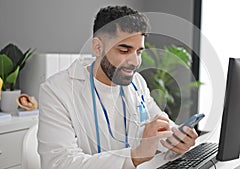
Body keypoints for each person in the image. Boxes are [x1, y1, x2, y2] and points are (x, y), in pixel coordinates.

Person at [38, 5, 198, 169]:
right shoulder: (57, 91)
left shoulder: (137, 83)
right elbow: (58, 163)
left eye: (139, 52)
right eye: (124, 50)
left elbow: (159, 125)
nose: (135, 62)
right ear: (97, 47)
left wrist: (176, 138)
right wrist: (135, 155)